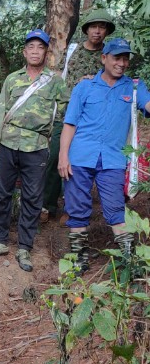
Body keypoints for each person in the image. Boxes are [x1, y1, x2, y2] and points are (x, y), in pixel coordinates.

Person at [58, 39, 150, 272]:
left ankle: (129, 263)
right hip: (79, 157)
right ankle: (80, 259)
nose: (122, 63)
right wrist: (63, 156)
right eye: (117, 58)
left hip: (113, 159)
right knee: (77, 209)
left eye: (125, 58)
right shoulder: (84, 87)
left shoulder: (135, 87)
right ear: (104, 58)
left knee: (116, 209)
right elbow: (70, 124)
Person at [0, 30, 67, 273]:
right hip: (8, 143)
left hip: (37, 146)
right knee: (1, 194)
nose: (34, 51)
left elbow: (66, 109)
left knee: (32, 198)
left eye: (39, 47)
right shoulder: (12, 79)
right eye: (30, 46)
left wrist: (53, 131)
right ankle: (0, 242)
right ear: (24, 51)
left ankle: (24, 247)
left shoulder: (54, 81)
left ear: (45, 52)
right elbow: (0, 112)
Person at [42, 6, 116, 220]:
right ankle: (47, 205)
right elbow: (61, 79)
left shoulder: (109, 55)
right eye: (94, 26)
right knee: (56, 154)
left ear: (106, 31)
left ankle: (72, 208)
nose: (97, 31)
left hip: (92, 119)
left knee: (81, 161)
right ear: (86, 29)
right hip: (67, 113)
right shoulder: (73, 50)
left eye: (102, 27)